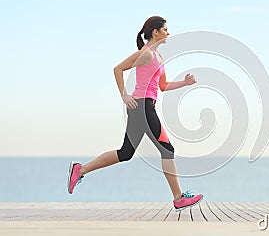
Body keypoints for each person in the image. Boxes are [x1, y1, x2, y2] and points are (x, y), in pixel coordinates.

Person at [67, 16, 203, 211]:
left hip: (144, 107)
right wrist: (124, 95)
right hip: (142, 107)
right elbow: (118, 69)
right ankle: (179, 198)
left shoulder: (159, 57)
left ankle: (81, 169)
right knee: (167, 150)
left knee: (126, 153)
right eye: (165, 29)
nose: (168, 33)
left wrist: (185, 83)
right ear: (155, 32)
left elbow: (163, 86)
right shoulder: (146, 54)